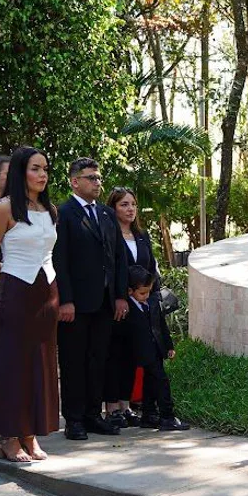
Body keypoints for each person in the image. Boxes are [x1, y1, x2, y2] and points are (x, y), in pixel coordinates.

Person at [0, 147, 61, 462]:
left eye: (45, 169)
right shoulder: (4, 209)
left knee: (41, 365)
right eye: (35, 168)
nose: (42, 175)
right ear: (20, 173)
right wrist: (6, 282)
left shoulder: (52, 209)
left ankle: (31, 434)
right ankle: (8, 436)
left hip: (47, 292)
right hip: (15, 290)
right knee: (12, 364)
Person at [53, 158, 127, 440]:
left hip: (105, 303)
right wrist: (66, 300)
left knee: (99, 360)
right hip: (76, 305)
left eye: (98, 177)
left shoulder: (107, 215)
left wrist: (120, 296)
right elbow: (60, 261)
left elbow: (118, 258)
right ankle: (74, 419)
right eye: (91, 178)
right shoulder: (64, 213)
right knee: (74, 361)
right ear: (75, 181)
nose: (97, 182)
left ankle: (94, 415)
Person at [106, 186, 162, 427]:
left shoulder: (142, 235)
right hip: (116, 304)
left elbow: (150, 268)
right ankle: (111, 408)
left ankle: (126, 405)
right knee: (113, 355)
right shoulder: (108, 234)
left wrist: (153, 297)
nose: (130, 209)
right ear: (113, 208)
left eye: (133, 204)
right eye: (124, 204)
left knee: (131, 355)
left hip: (140, 306)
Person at [125, 265, 189, 431]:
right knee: (161, 381)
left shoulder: (152, 302)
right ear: (130, 291)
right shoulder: (127, 309)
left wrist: (168, 345)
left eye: (148, 292)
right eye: (142, 293)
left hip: (156, 349)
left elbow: (161, 325)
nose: (146, 296)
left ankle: (149, 414)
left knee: (151, 382)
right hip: (142, 351)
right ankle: (167, 416)